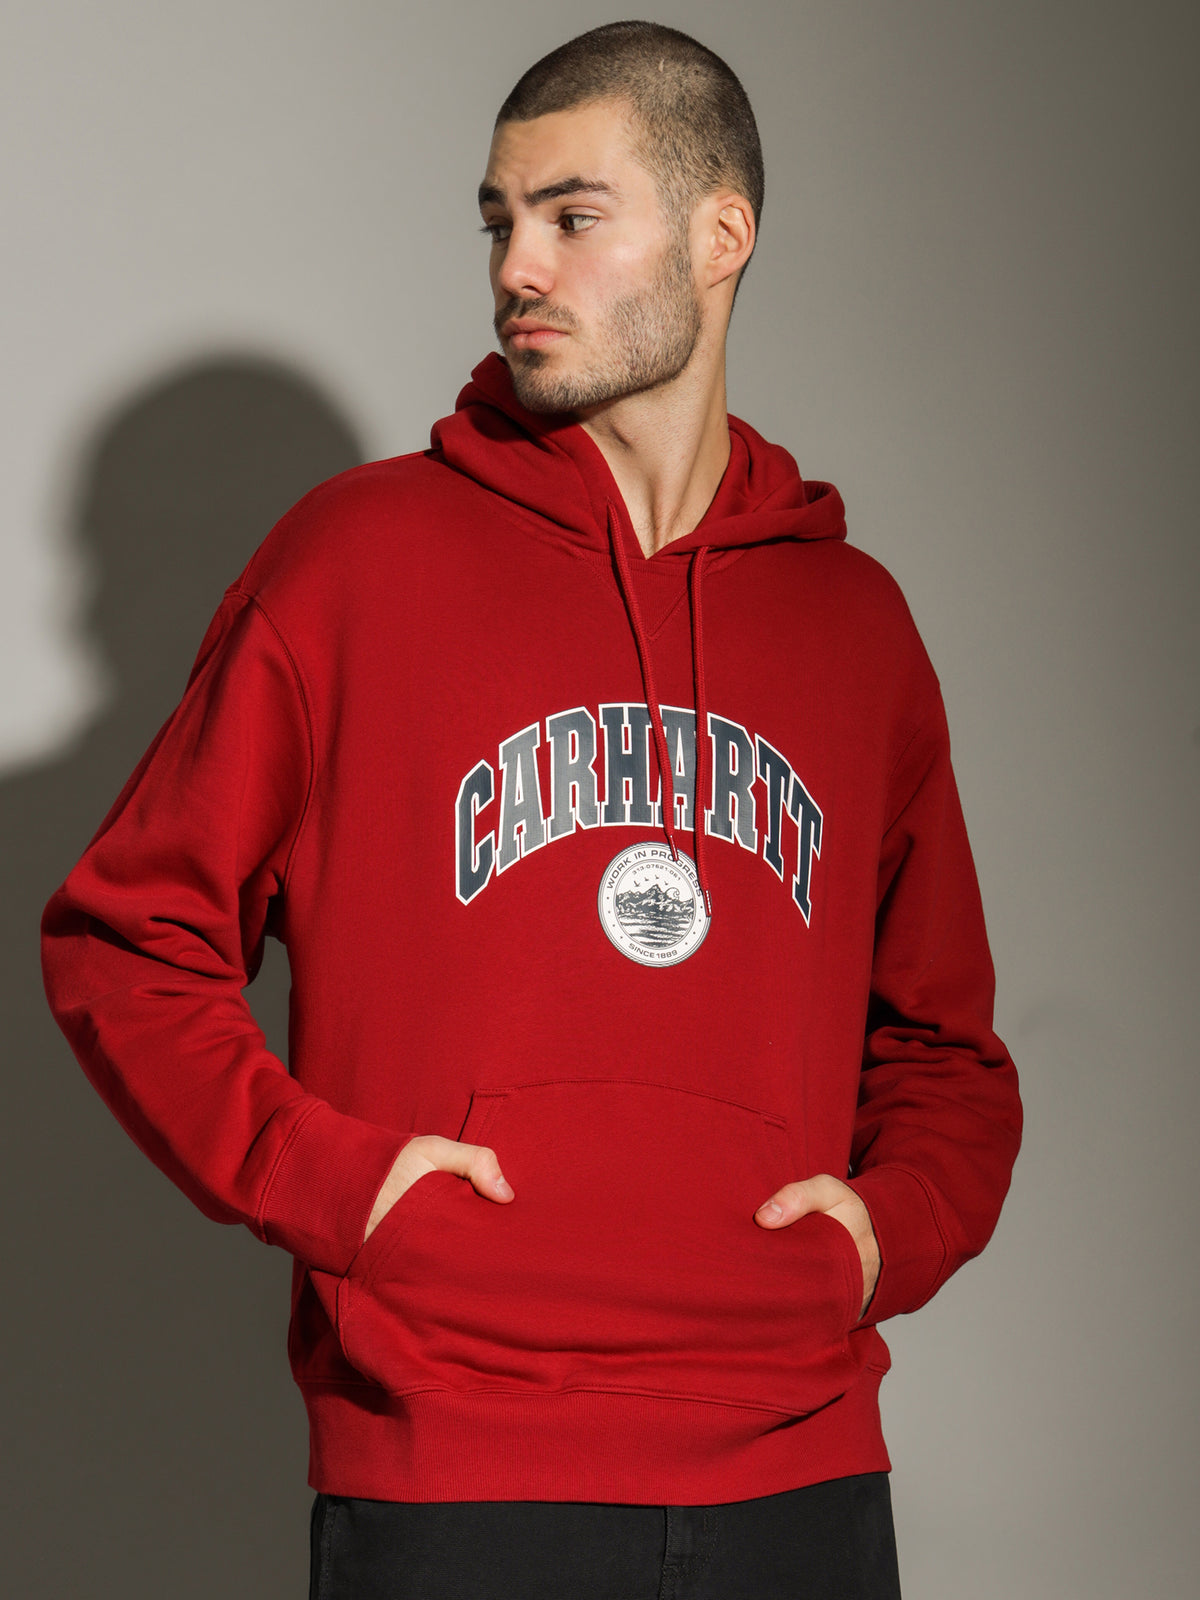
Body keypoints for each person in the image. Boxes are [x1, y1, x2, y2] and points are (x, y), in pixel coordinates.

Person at [41, 20, 1022, 1600]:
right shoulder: (354, 564)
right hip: (458, 1465)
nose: (517, 267)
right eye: (499, 221)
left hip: (801, 1467)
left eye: (572, 217)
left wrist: (879, 1237)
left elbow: (950, 1053)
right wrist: (335, 1183)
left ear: (720, 235)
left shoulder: (853, 625)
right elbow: (125, 940)